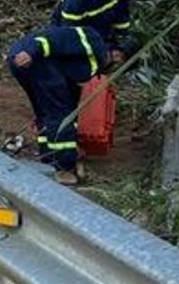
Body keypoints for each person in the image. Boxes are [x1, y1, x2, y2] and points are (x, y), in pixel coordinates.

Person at [8, 23, 108, 184]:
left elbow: (71, 94)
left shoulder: (78, 62)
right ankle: (64, 168)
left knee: (44, 113)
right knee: (60, 115)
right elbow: (54, 40)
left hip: (19, 58)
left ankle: (47, 159)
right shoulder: (91, 40)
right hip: (35, 59)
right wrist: (32, 52)